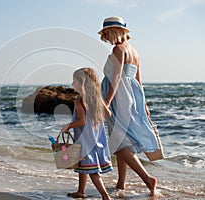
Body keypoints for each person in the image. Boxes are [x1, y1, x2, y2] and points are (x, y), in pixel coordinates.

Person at [98, 16, 159, 196]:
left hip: (118, 97)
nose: (106, 39)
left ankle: (148, 179)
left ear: (115, 32)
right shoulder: (135, 51)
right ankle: (121, 183)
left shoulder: (119, 49)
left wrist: (107, 102)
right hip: (131, 96)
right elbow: (139, 82)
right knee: (122, 138)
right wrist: (144, 104)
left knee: (118, 142)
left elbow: (116, 77)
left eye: (107, 34)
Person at [61, 67, 112, 200]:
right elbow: (108, 114)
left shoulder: (79, 101)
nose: (72, 84)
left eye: (74, 81)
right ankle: (81, 191)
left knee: (92, 171)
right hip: (96, 138)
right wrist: (96, 120)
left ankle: (105, 196)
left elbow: (82, 122)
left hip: (84, 140)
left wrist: (68, 126)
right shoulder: (96, 98)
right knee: (84, 166)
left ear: (82, 83)